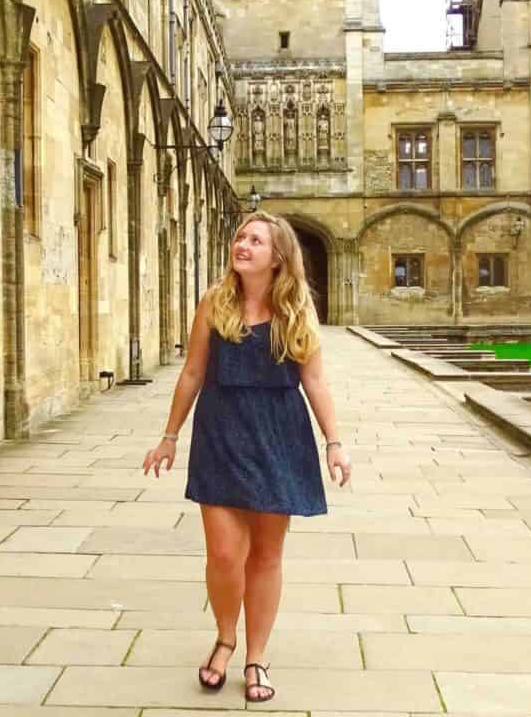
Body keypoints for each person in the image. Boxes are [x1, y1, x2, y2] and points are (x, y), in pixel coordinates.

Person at [143, 210, 351, 703]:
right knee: (222, 554)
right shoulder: (214, 303)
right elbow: (192, 373)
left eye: (255, 240)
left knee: (265, 556)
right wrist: (169, 436)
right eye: (240, 237)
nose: (243, 245)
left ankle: (255, 656)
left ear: (277, 256)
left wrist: (334, 442)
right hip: (221, 432)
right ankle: (225, 637)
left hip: (280, 435)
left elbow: (314, 380)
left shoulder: (298, 310)